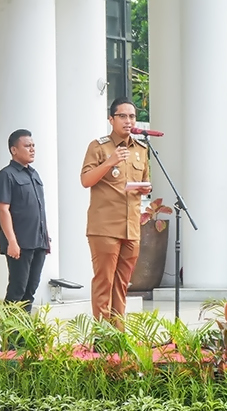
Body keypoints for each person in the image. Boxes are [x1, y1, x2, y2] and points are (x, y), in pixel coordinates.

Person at [80, 97, 151, 329]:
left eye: (132, 116)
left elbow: (143, 184)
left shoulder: (141, 149)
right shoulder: (99, 147)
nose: (128, 121)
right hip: (105, 228)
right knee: (104, 282)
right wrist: (110, 162)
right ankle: (102, 337)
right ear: (111, 119)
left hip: (131, 228)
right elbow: (86, 180)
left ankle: (118, 336)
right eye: (122, 116)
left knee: (122, 284)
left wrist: (144, 188)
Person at [0, 129, 49, 313]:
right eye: (27, 146)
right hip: (19, 244)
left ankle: (23, 339)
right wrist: (12, 241)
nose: (32, 149)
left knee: (30, 292)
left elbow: (39, 209)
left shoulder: (34, 174)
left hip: (38, 242)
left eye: (33, 145)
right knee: (17, 290)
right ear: (14, 150)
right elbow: (3, 209)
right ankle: (10, 339)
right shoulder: (6, 175)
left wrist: (45, 238)